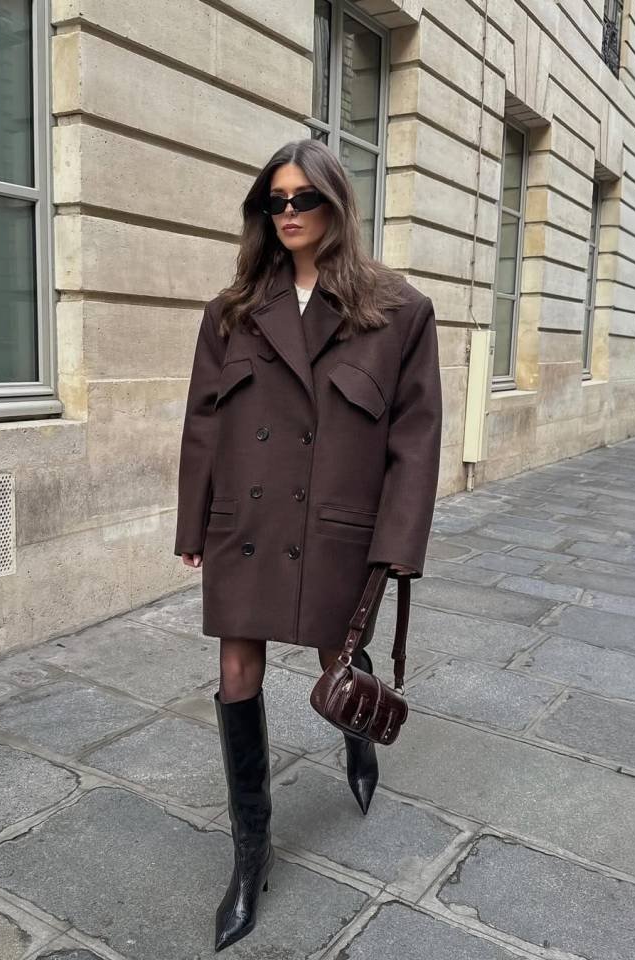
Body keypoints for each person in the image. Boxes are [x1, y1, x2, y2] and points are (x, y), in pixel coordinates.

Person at [173, 138, 443, 952]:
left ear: (336, 205)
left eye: (304, 199)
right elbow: (202, 426)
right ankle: (250, 850)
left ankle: (355, 733)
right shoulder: (231, 311)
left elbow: (416, 437)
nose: (288, 214)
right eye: (275, 201)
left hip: (336, 526)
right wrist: (194, 524)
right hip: (246, 530)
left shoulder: (397, 310)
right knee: (235, 669)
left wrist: (398, 543)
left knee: (339, 660)